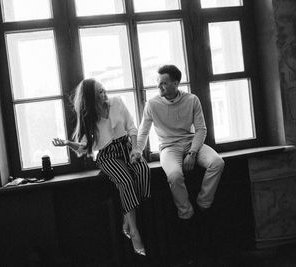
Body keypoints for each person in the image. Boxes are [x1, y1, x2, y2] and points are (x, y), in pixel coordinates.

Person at [52, 78, 151, 256]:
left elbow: (131, 127)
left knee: (143, 171)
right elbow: (83, 147)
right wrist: (67, 143)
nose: (105, 94)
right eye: (100, 92)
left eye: (104, 90)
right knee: (126, 181)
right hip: (107, 155)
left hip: (127, 147)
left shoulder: (117, 103)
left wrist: (136, 150)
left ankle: (126, 218)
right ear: (91, 98)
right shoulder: (89, 117)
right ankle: (134, 231)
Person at [135, 65, 225, 261]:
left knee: (217, 162)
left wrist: (193, 152)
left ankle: (203, 203)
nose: (159, 86)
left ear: (176, 83)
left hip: (191, 142)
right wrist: (137, 151)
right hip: (168, 147)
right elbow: (142, 132)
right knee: (174, 175)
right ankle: (186, 213)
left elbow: (201, 129)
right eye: (158, 83)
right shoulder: (152, 104)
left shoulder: (192, 100)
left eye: (164, 83)